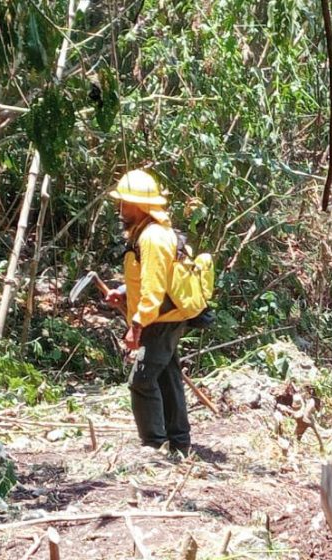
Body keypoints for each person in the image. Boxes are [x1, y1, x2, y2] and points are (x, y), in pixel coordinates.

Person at [104, 169, 196, 455]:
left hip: (159, 320)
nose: (120, 209)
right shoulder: (146, 233)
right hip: (163, 318)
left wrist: (136, 325)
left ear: (141, 206)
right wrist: (122, 292)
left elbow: (154, 289)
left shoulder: (153, 237)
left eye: (125, 203)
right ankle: (178, 442)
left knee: (141, 380)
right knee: (167, 376)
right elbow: (148, 278)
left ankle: (154, 445)